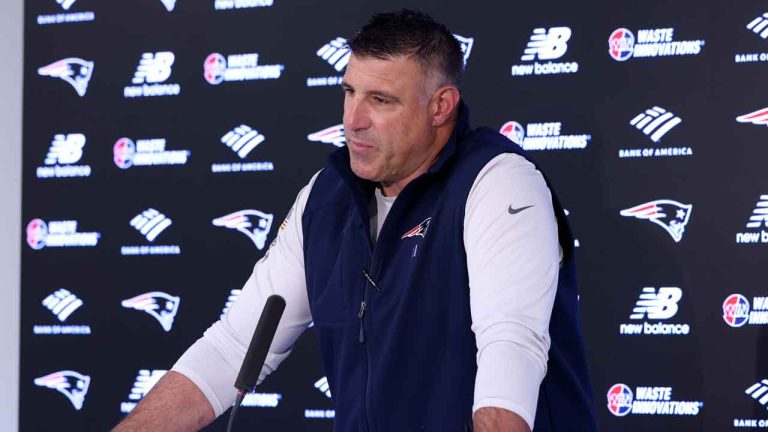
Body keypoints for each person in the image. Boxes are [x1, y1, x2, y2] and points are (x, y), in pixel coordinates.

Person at [114, 9, 598, 432]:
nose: (353, 119)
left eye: (381, 100)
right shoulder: (327, 199)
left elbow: (510, 348)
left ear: (441, 106)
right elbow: (233, 349)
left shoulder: (497, 184)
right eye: (349, 92)